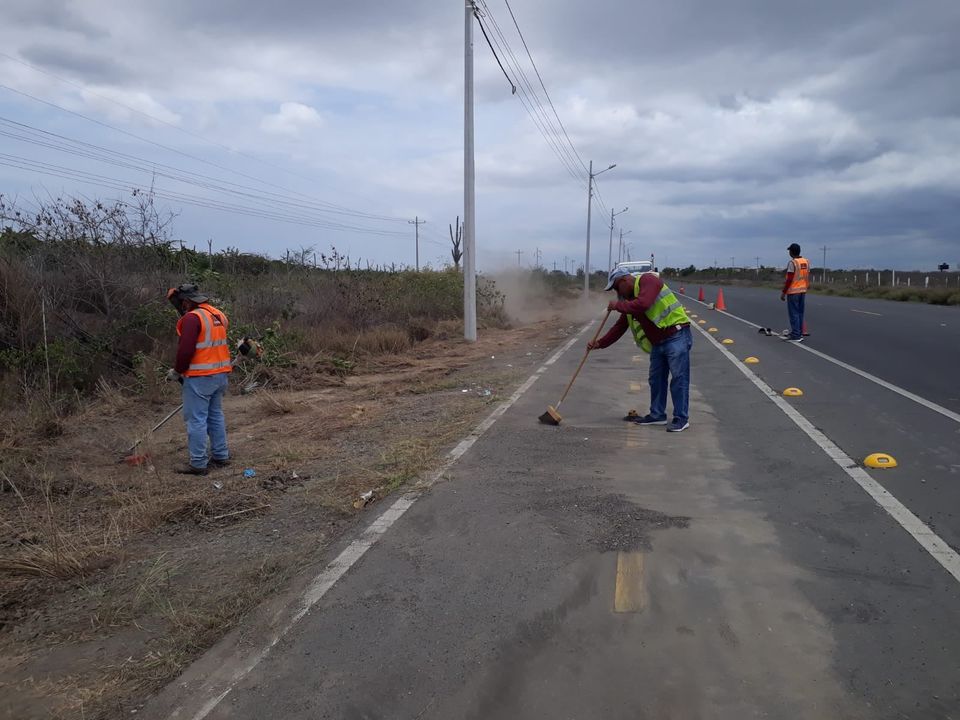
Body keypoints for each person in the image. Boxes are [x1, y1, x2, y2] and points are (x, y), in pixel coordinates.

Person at [587, 267, 693, 432]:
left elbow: (644, 304)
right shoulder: (631, 302)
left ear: (624, 280)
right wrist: (600, 343)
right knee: (656, 379)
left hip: (676, 335)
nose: (617, 293)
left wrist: (618, 305)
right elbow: (619, 327)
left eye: (617, 288)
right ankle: (657, 415)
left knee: (679, 378)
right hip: (658, 343)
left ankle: (681, 418)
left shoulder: (648, 280)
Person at [166, 284, 232, 475]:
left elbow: (186, 350)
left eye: (182, 303)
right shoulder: (218, 314)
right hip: (220, 375)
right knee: (215, 415)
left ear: (186, 302)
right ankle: (221, 455)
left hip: (200, 377)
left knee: (196, 420)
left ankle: (198, 463)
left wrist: (177, 371)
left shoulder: (192, 318)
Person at [780, 243, 809, 342]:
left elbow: (789, 279)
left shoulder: (793, 263)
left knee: (794, 314)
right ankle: (799, 333)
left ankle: (796, 335)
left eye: (789, 251)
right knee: (800, 313)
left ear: (792, 252)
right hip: (803, 290)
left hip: (793, 291)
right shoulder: (806, 261)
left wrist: (784, 292)